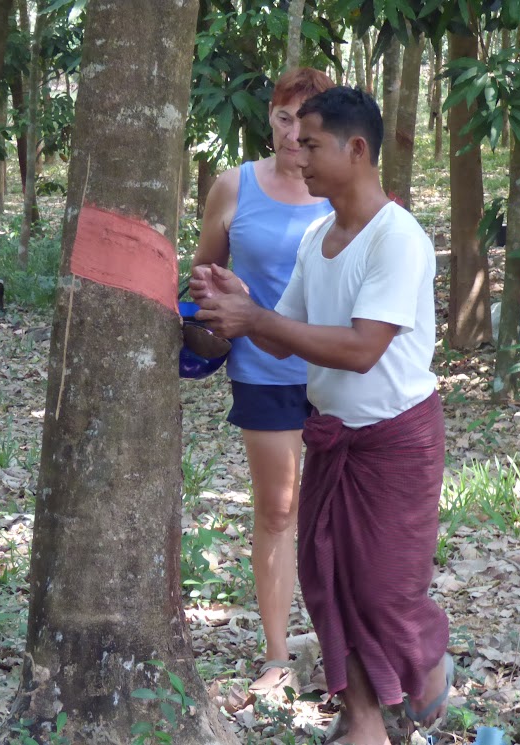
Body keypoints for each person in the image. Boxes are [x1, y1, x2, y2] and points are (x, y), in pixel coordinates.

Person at [191, 86, 452, 745]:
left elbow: (364, 347)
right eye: (295, 140)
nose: (296, 154)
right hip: (333, 436)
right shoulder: (317, 235)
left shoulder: (397, 238)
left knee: (385, 591)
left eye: (311, 143)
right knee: (329, 581)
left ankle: (423, 668)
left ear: (355, 149)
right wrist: (244, 305)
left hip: (395, 441)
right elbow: (287, 334)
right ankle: (361, 719)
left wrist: (258, 318)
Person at [190, 67, 335, 694]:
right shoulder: (233, 187)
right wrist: (213, 300)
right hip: (263, 372)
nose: (292, 133)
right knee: (278, 511)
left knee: (337, 513)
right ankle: (277, 655)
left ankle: (344, 644)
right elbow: (201, 274)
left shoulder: (343, 190)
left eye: (306, 121)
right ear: (269, 118)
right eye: (282, 117)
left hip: (334, 370)